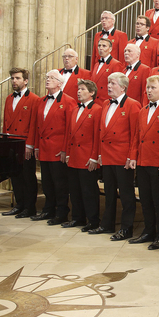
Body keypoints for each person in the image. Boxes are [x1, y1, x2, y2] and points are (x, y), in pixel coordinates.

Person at [128, 75, 159, 250]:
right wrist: (133, 156)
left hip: (157, 162)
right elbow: (137, 136)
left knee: (158, 200)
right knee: (145, 199)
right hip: (142, 161)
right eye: (148, 87)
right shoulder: (143, 110)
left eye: (153, 88)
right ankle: (149, 230)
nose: (149, 91)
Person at [90, 72, 140, 240]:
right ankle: (106, 224)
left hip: (122, 156)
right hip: (107, 155)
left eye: (112, 83)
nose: (108, 86)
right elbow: (101, 131)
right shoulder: (105, 103)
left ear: (123, 87)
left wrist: (132, 156)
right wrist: (99, 154)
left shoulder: (133, 105)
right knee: (109, 192)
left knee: (126, 195)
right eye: (108, 83)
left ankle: (127, 228)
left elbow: (135, 134)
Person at [31, 70, 77, 223]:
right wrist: (36, 146)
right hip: (44, 147)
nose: (47, 80)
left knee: (60, 183)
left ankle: (62, 211)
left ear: (60, 83)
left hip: (58, 148)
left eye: (51, 78)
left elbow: (70, 128)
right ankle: (48, 210)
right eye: (46, 77)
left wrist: (65, 149)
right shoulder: (42, 101)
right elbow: (38, 126)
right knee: (47, 182)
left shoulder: (68, 101)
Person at [2, 68, 40, 219]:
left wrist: (30, 145)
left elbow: (33, 124)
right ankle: (19, 204)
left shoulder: (34, 99)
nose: (14, 81)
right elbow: (5, 123)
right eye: (12, 78)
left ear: (26, 81)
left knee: (28, 176)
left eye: (17, 78)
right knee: (15, 175)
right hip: (11, 143)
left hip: (25, 144)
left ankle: (30, 207)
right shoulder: (9, 98)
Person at [63, 79, 102, 231]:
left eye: (83, 89)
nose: (79, 92)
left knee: (88, 191)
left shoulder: (97, 110)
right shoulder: (74, 109)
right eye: (78, 89)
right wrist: (67, 153)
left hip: (87, 157)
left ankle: (92, 220)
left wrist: (94, 157)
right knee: (75, 189)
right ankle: (77, 218)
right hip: (74, 155)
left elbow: (97, 135)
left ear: (92, 92)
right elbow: (69, 133)